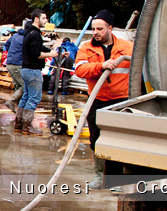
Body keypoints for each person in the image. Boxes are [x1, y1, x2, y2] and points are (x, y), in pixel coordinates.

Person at [74, 10, 132, 189]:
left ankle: (117, 180)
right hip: (97, 100)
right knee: (96, 139)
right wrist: (101, 66)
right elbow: (79, 70)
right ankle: (100, 177)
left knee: (119, 140)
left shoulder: (127, 47)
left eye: (100, 28)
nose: (96, 32)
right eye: (93, 29)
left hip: (121, 101)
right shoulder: (86, 48)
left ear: (110, 28)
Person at [17, 9, 62, 135]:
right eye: (44, 18)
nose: (46, 21)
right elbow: (36, 53)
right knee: (34, 98)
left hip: (26, 69)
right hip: (32, 70)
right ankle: (27, 126)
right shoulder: (35, 34)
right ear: (36, 19)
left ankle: (19, 123)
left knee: (26, 96)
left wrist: (55, 51)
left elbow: (39, 48)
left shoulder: (29, 32)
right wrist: (51, 54)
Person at [2, 24, 27, 112]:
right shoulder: (25, 38)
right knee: (24, 86)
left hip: (9, 63)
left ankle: (19, 109)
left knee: (18, 86)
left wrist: (12, 53)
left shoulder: (15, 35)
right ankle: (11, 101)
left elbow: (7, 45)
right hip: (17, 64)